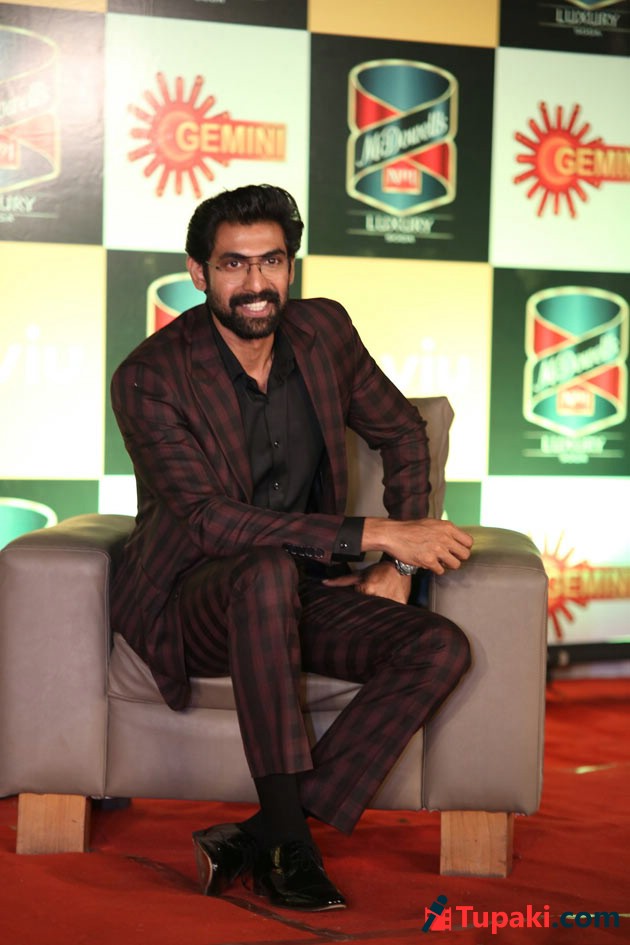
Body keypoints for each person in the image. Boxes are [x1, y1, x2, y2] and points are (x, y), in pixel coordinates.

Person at [110, 183, 473, 913]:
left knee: (438, 646)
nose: (256, 282)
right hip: (190, 600)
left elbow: (404, 432)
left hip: (303, 587)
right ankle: (291, 851)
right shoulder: (150, 376)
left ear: (290, 266)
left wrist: (400, 566)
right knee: (265, 571)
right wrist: (378, 533)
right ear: (198, 272)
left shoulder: (322, 331)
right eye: (234, 264)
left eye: (271, 261)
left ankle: (266, 832)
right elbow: (210, 521)